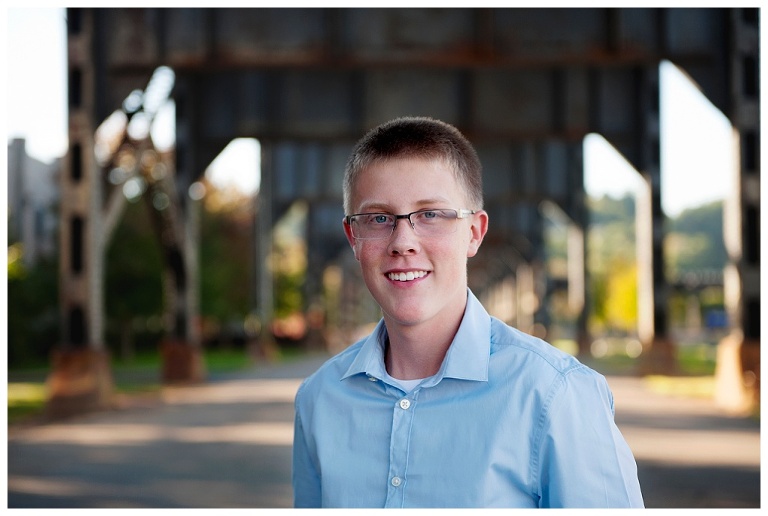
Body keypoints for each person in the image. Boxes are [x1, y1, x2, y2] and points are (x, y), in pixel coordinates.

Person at [292, 116, 644, 508]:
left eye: (431, 214)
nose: (403, 242)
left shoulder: (555, 395)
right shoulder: (319, 399)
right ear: (352, 237)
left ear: (474, 232)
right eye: (378, 218)